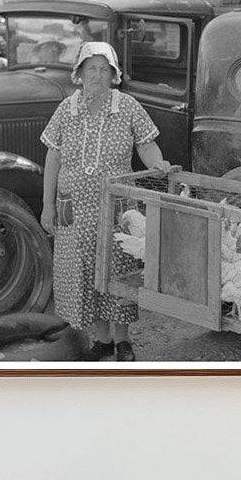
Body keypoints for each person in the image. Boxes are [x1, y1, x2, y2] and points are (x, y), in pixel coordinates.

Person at [39, 41, 169, 361]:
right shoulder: (66, 109)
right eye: (91, 68)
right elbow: (53, 157)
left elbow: (146, 144)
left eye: (103, 69)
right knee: (84, 272)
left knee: (117, 270)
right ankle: (101, 340)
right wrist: (48, 205)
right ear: (80, 73)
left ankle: (122, 340)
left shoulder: (127, 106)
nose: (97, 74)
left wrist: (158, 163)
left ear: (113, 75)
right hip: (74, 207)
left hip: (116, 207)